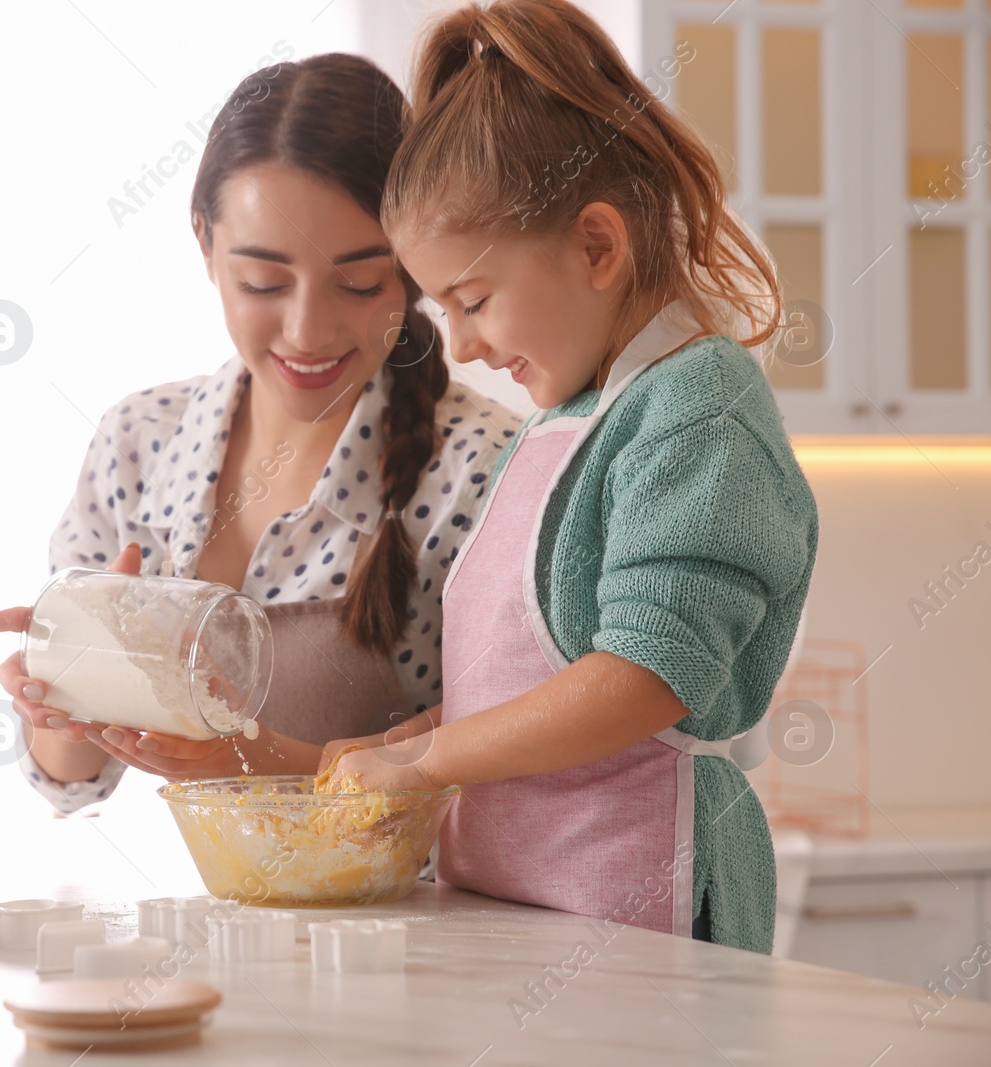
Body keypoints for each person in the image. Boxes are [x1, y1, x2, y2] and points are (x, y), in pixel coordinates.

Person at [321, 0, 818, 954]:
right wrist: (409, 739)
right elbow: (540, 671)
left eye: (473, 300)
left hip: (643, 911)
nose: (458, 343)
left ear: (597, 245)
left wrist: (428, 760)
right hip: (523, 917)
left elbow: (644, 674)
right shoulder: (568, 417)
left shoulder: (698, 409)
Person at [0, 54, 521, 814]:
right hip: (203, 921)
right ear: (204, 242)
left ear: (413, 263)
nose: (308, 330)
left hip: (406, 929)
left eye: (362, 282)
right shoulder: (139, 440)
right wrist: (65, 681)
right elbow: (67, 778)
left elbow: (504, 762)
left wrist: (238, 755)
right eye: (264, 282)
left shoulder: (485, 467)